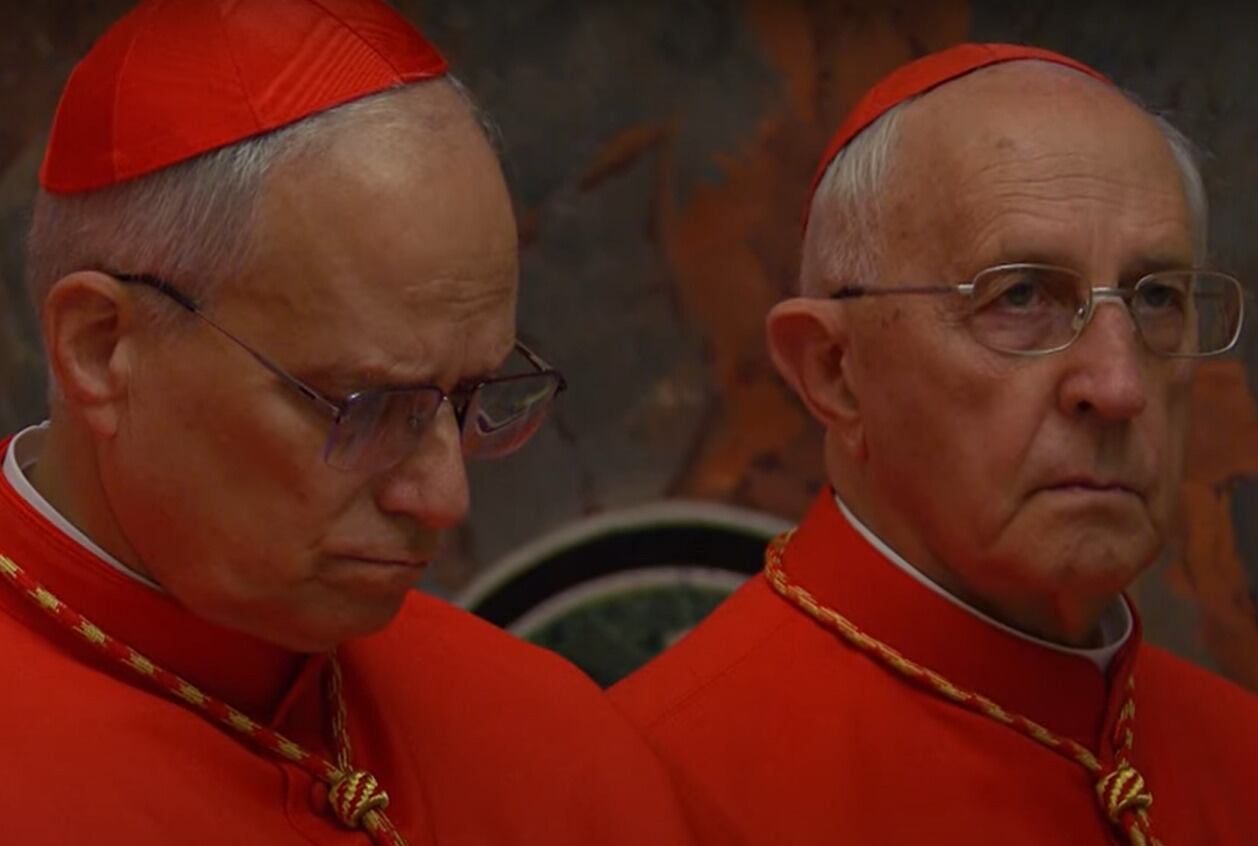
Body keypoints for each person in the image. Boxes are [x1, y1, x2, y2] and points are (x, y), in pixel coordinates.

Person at [0, 2, 695, 843]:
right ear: (103, 348)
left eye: (473, 396)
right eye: (369, 407)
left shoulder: (551, 734)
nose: (444, 497)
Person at [611, 43, 1257, 845]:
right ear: (836, 371)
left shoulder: (1242, 752)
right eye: (1020, 296)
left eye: (1156, 296)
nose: (1119, 386)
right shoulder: (646, 788)